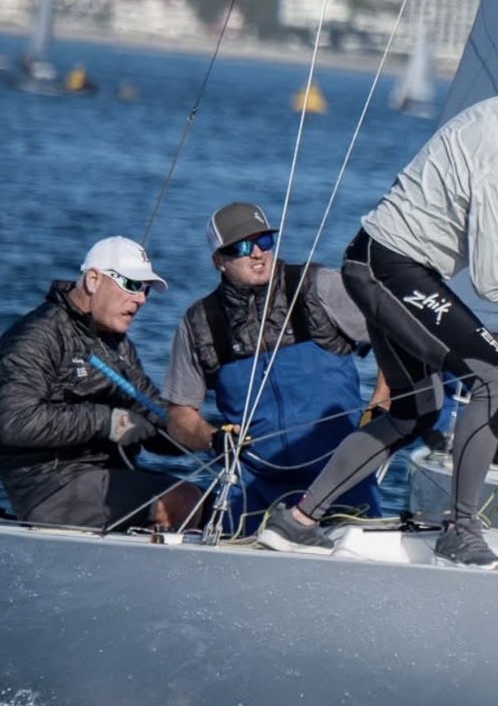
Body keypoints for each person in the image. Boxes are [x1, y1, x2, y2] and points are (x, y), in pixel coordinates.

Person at [257, 48, 498, 570]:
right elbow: (494, 282)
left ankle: (297, 523)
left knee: (415, 410)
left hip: (372, 259)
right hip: (395, 271)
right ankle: (460, 532)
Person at [164, 201, 387, 535]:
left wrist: (381, 405)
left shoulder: (316, 286)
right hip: (254, 485)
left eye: (264, 242)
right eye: (242, 246)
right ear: (218, 261)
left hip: (340, 474)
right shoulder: (199, 323)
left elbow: (393, 332)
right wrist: (211, 438)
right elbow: (179, 415)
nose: (258, 253)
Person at [0, 236, 201, 531]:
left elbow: (152, 411)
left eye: (146, 291)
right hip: (51, 488)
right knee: (183, 501)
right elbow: (16, 424)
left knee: (219, 504)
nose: (140, 299)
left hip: (109, 478)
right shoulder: (34, 339)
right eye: (132, 285)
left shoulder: (118, 346)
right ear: (93, 279)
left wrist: (206, 435)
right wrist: (108, 422)